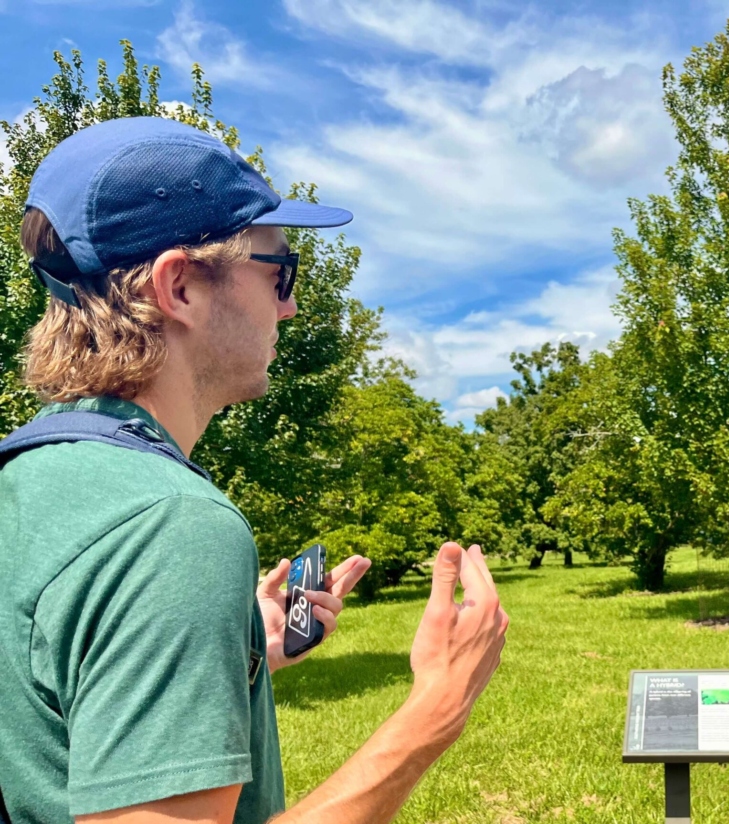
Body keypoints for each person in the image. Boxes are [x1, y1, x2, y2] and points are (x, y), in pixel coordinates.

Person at [0, 117, 509, 824]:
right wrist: (434, 711)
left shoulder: (28, 480)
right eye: (280, 273)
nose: (292, 305)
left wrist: (238, 654)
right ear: (178, 287)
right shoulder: (168, 527)